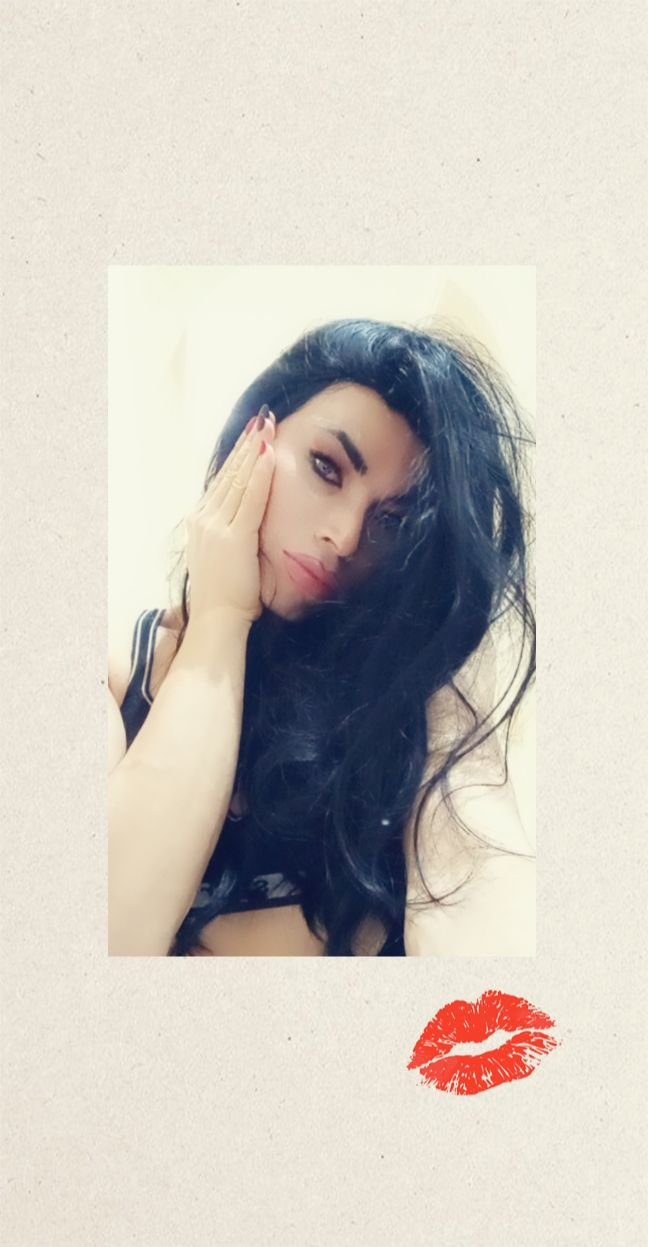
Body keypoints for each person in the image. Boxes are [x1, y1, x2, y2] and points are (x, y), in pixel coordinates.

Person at [108, 318, 536, 957]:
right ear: (254, 434)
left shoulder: (414, 718)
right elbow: (109, 939)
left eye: (392, 522)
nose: (345, 536)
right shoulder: (120, 678)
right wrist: (221, 618)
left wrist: (438, 666)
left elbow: (497, 970)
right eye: (326, 467)